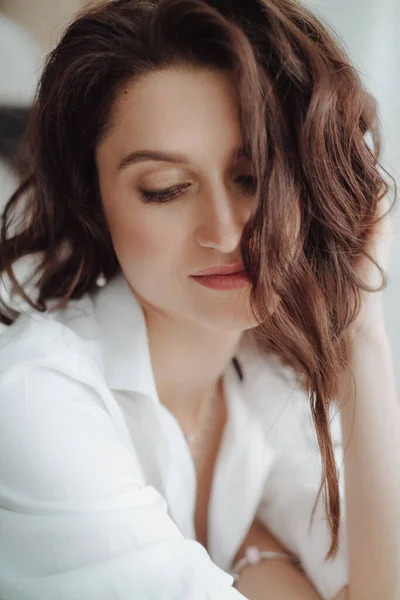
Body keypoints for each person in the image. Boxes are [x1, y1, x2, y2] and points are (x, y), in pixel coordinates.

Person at [0, 1, 399, 599]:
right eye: (166, 190)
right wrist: (266, 567)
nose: (227, 232)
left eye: (253, 177)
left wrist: (361, 326)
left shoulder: (269, 380)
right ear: (95, 198)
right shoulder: (34, 400)